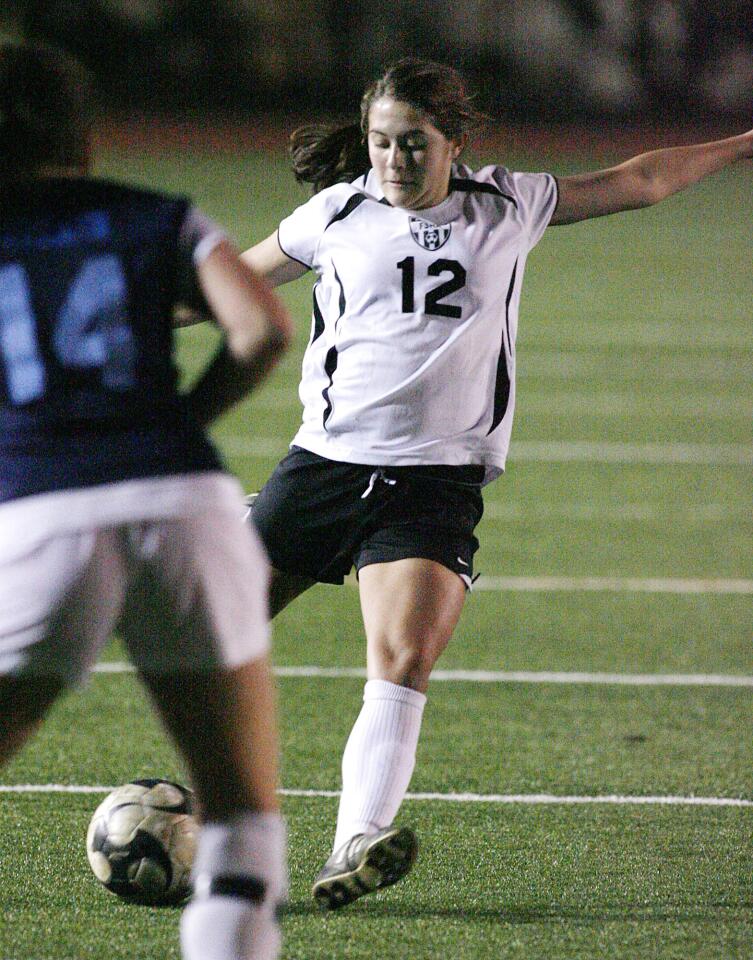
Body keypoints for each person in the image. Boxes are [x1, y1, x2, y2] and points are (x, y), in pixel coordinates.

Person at [241, 57, 753, 911]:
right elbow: (233, 280)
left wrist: (741, 144)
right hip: (323, 469)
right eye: (379, 143)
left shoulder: (507, 205)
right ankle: (209, 815)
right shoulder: (334, 213)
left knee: (401, 660)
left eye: (412, 143)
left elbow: (641, 179)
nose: (394, 160)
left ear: (454, 144)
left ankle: (355, 840)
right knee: (205, 638)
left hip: (434, 484)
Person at [0, 43, 293, 960]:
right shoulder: (158, 217)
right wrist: (182, 419)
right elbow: (261, 329)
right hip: (186, 501)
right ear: (82, 141)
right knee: (244, 822)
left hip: (43, 510)